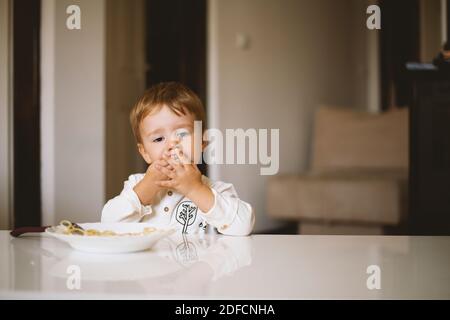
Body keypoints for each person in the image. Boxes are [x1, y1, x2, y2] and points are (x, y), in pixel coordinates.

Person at [101, 82, 255, 236]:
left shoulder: (214, 189)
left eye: (182, 134)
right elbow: (108, 224)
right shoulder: (137, 184)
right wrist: (146, 189)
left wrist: (195, 189)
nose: (172, 143)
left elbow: (243, 226)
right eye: (159, 138)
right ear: (145, 153)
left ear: (202, 142)